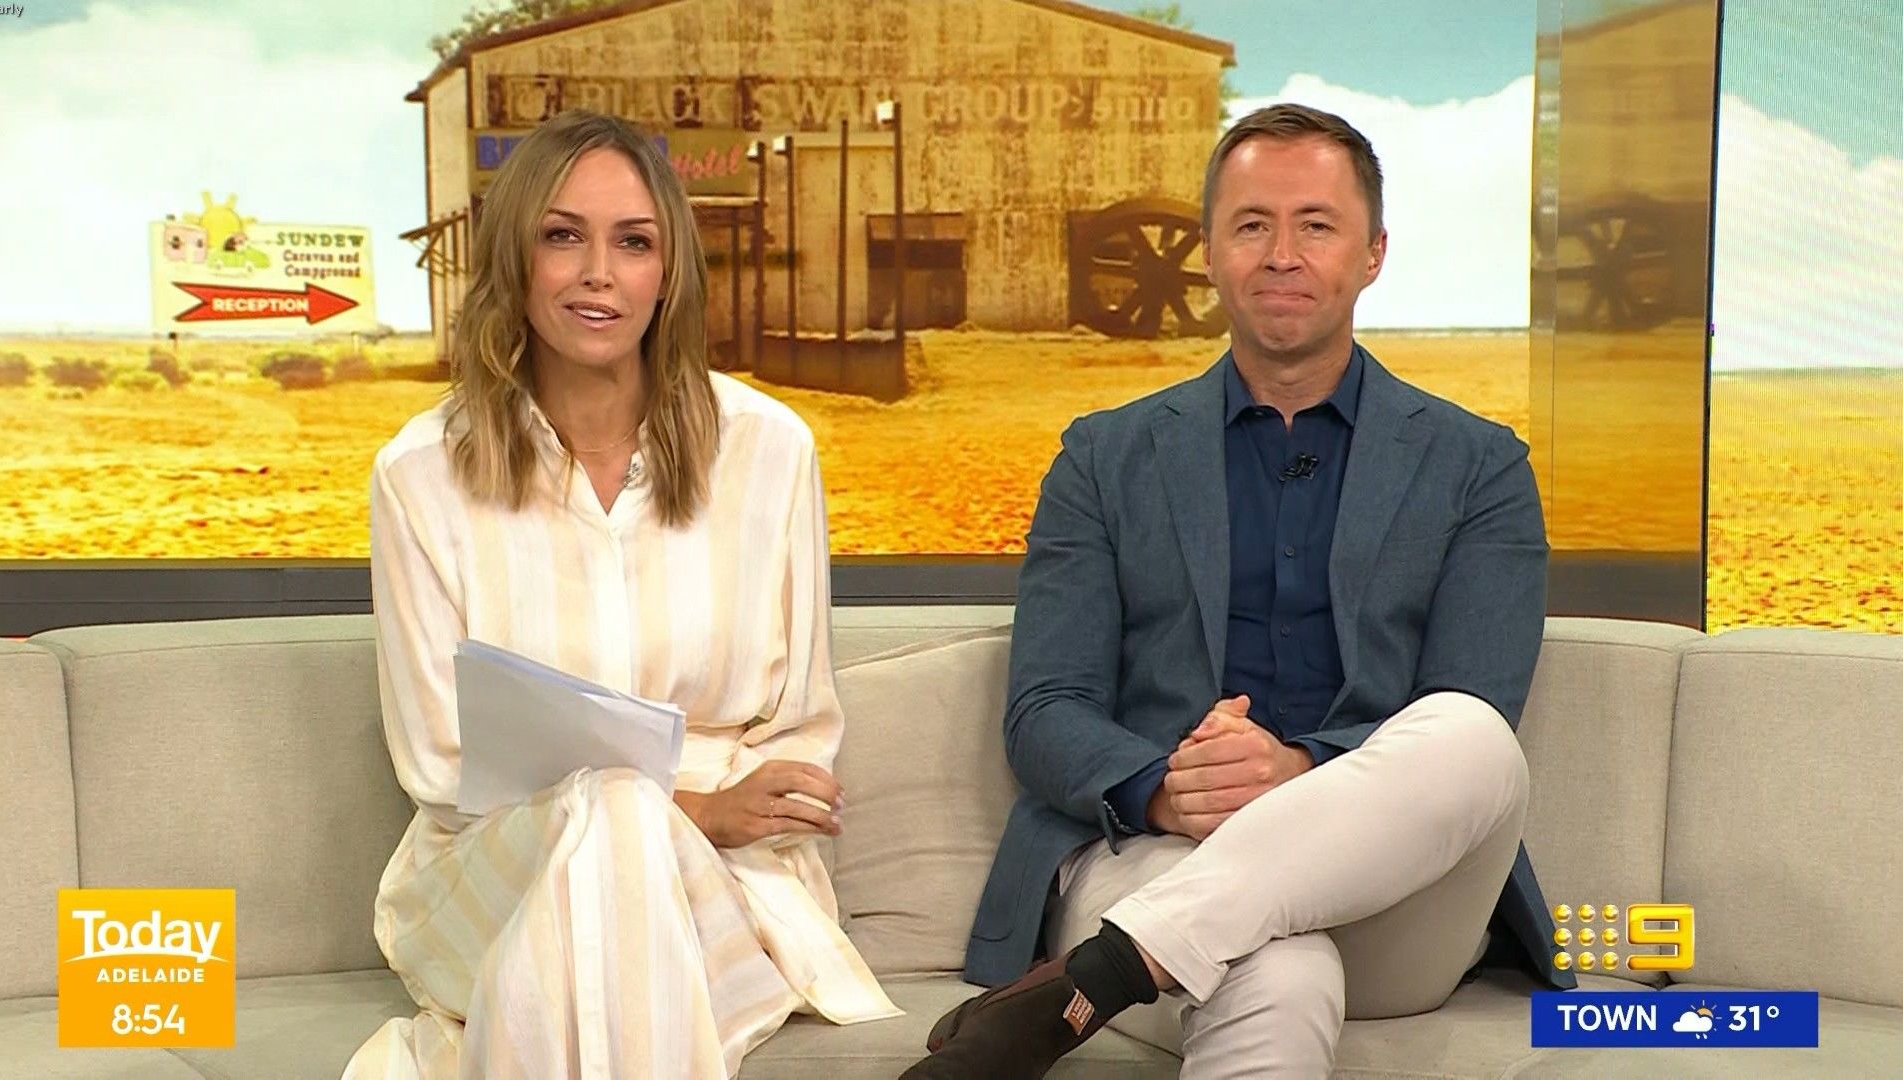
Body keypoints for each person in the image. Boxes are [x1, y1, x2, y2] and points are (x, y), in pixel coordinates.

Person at [902, 104, 1574, 1080]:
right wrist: (1165, 789)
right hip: (1163, 857)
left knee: (1472, 737)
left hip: (1399, 902)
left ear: (1374, 254)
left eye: (1317, 225)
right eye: (1252, 225)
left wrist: (1299, 770)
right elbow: (1046, 710)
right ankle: (1126, 959)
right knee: (1276, 973)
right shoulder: (1102, 459)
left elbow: (1474, 705)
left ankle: (1095, 977)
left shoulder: (1480, 467)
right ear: (1211, 254)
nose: (1282, 254)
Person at [343, 108, 899, 1080]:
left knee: (614, 848)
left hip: (723, 881)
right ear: (516, 261)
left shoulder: (770, 451)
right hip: (493, 871)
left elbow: (799, 730)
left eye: (633, 242)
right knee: (611, 820)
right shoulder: (420, 473)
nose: (598, 272)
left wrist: (687, 825)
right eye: (563, 236)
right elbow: (442, 762)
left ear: (668, 271)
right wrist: (686, 807)